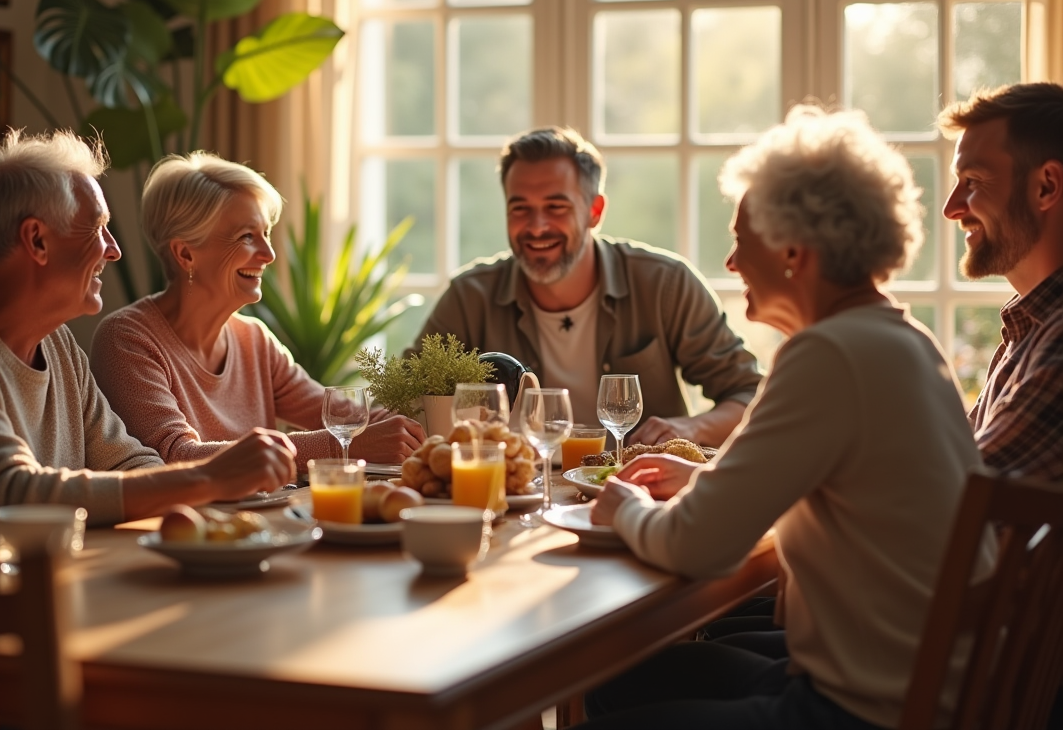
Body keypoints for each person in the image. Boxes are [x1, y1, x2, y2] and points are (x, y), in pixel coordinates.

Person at [579, 106, 995, 730]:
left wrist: (622, 507)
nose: (731, 262)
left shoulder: (829, 354)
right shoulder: (896, 338)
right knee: (627, 674)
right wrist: (698, 480)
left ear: (793, 251)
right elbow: (839, 483)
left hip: (872, 708)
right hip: (925, 680)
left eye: (742, 240)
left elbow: (698, 545)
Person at [0, 131, 295, 571]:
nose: (114, 250)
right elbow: (11, 495)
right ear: (37, 241)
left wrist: (203, 512)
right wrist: (206, 477)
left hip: (42, 593)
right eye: (98, 228)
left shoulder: (56, 341)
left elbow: (126, 461)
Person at [409, 126, 762, 446]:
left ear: (595, 210)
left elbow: (750, 394)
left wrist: (691, 428)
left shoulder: (667, 285)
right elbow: (402, 402)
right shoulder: (470, 297)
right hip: (512, 494)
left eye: (556, 206)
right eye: (520, 209)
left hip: (636, 492)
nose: (536, 226)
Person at [90, 152, 426, 470]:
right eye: (247, 236)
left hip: (265, 528)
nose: (268, 254)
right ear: (186, 254)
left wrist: (428, 433)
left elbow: (350, 418)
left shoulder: (254, 341)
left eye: (265, 233)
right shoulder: (127, 340)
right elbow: (176, 458)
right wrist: (343, 445)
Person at [938, 82, 1063, 482]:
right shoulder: (1030, 328)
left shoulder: (1058, 340)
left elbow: (957, 498)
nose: (951, 209)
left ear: (1046, 186)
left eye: (973, 181)